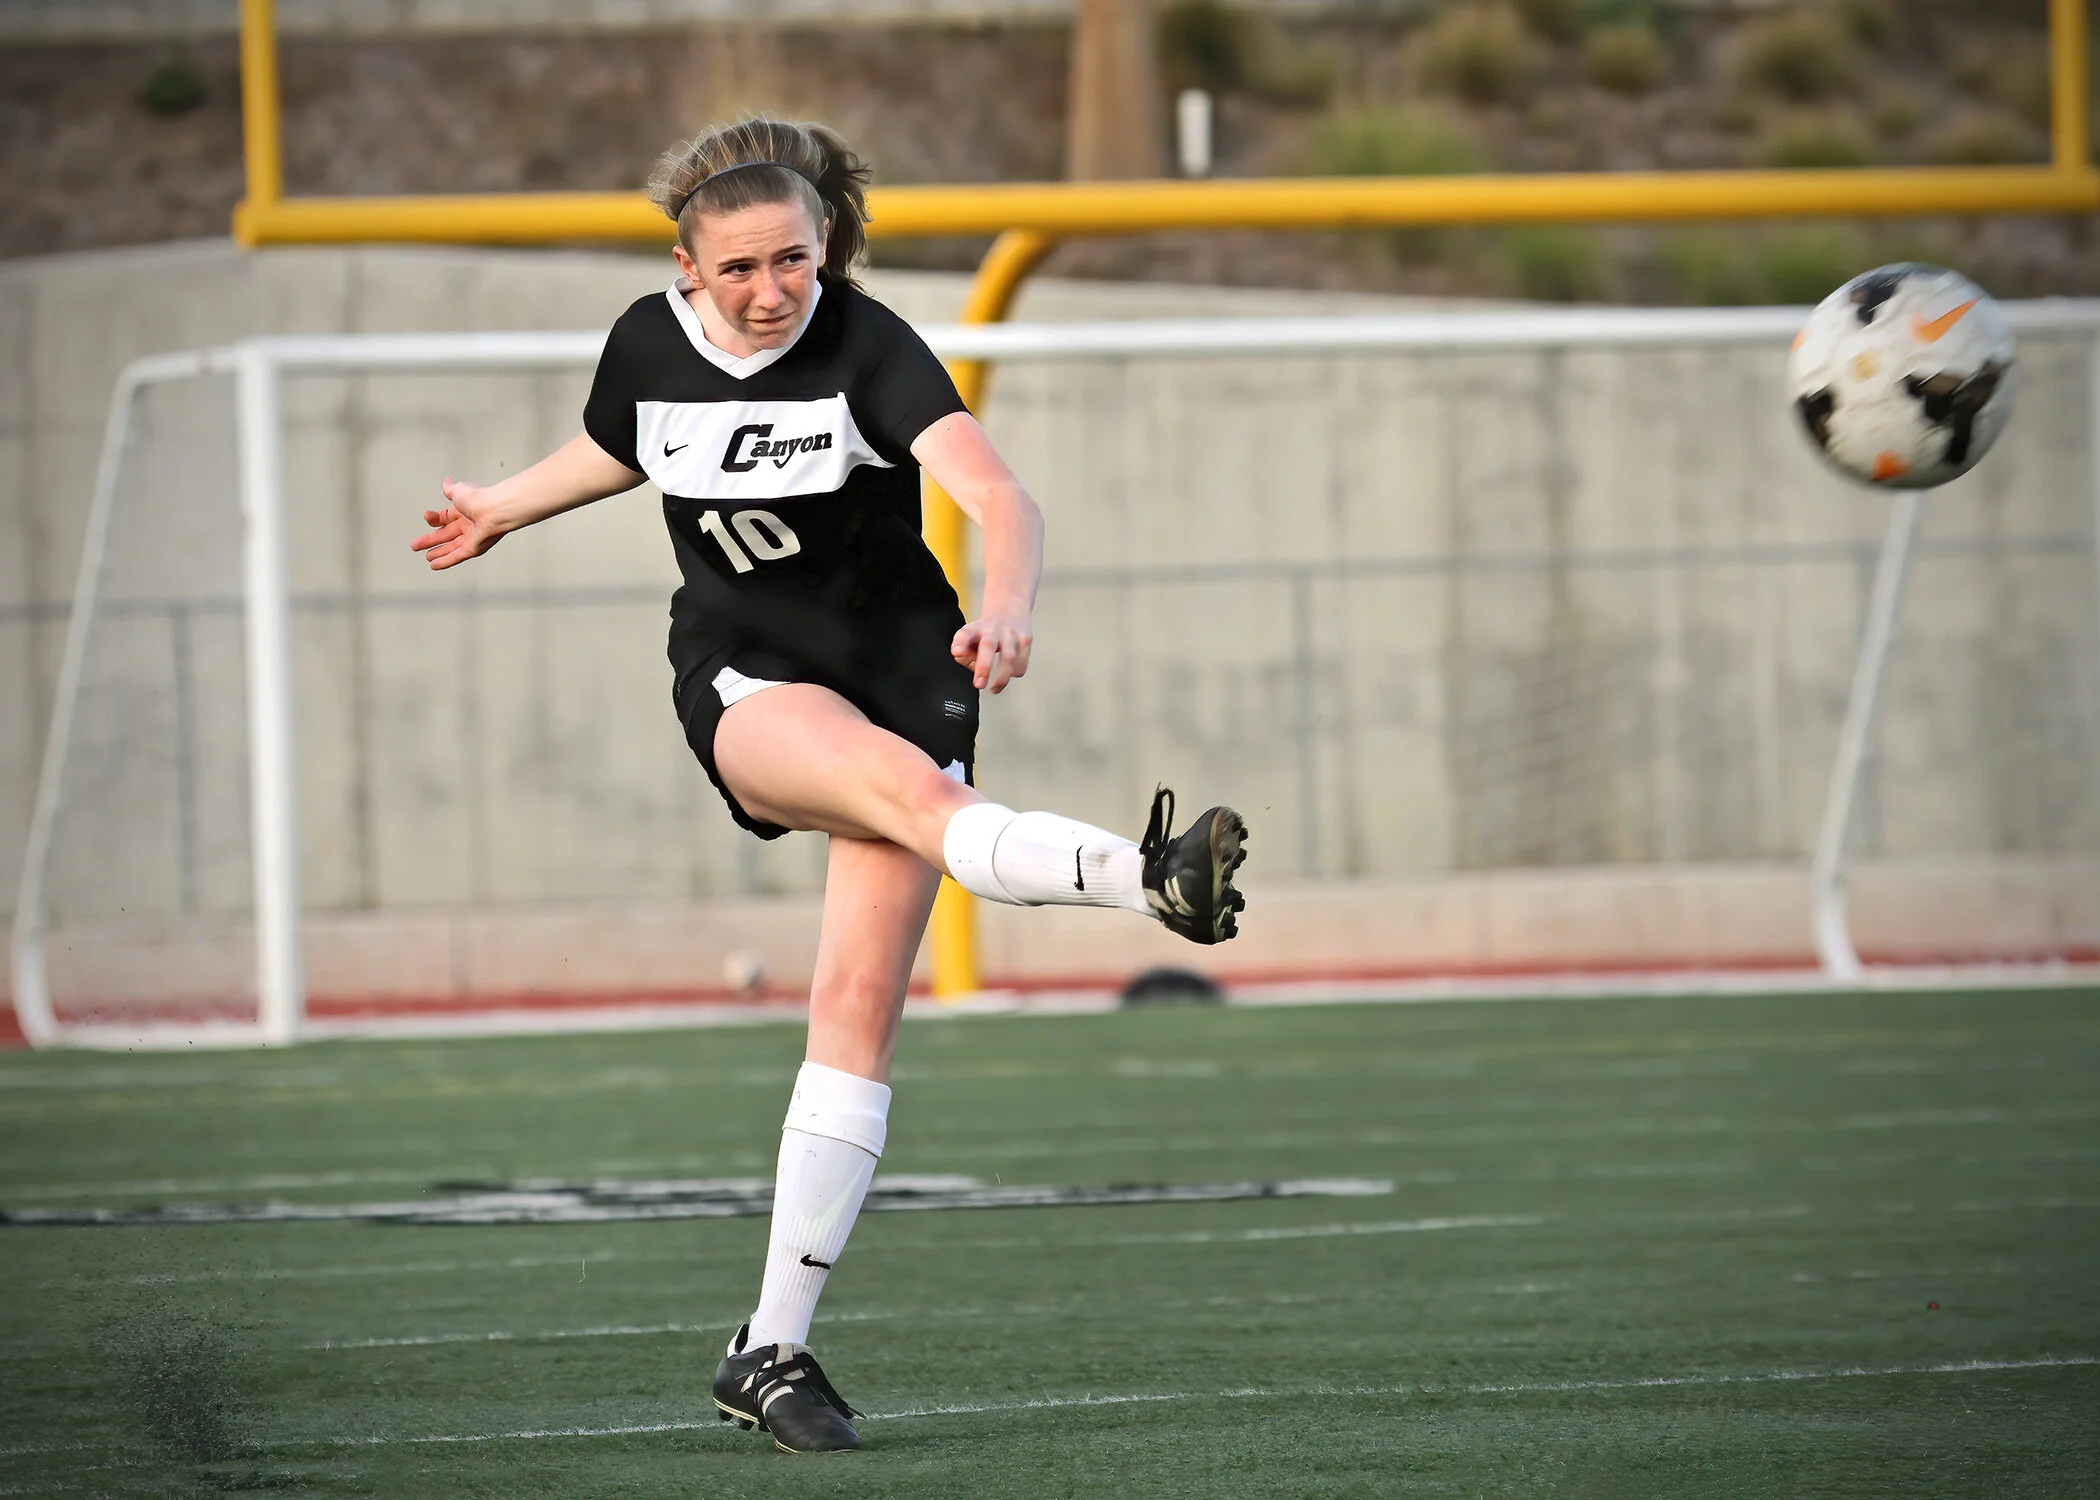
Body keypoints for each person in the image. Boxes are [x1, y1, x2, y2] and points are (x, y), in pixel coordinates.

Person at [410, 117, 1247, 1454]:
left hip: (911, 672)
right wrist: (506, 502)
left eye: (791, 261)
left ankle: (771, 1350)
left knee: (856, 1011)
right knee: (916, 805)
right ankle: (1145, 879)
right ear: (686, 268)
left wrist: (1010, 606)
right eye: (736, 268)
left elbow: (1000, 495)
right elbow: (629, 443)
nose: (768, 289)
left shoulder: (867, 345)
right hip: (750, 672)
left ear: (823, 251)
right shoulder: (644, 340)